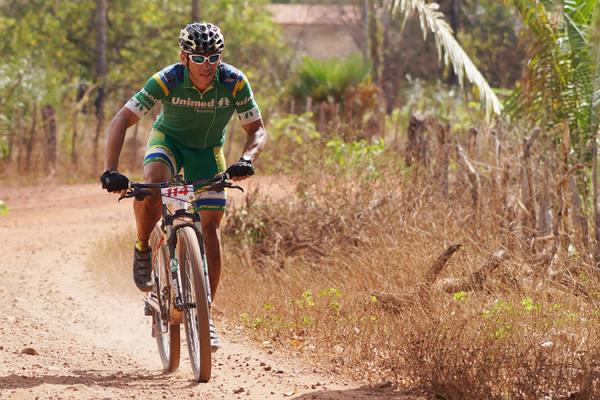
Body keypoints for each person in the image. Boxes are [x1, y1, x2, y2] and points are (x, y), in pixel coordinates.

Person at [99, 22, 267, 350]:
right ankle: (143, 246)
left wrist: (247, 158)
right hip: (168, 143)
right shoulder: (168, 79)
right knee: (153, 187)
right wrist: (110, 170)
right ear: (184, 57)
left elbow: (257, 129)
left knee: (210, 230)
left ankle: (207, 317)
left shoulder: (234, 81)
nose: (207, 65)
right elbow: (122, 119)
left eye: (213, 58)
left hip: (207, 152)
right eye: (198, 58)